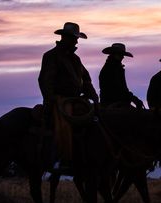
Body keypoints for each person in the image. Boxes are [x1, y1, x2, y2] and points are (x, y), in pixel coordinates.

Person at [38, 22, 98, 167]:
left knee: (94, 119)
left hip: (75, 99)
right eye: (74, 38)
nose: (77, 41)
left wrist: (93, 95)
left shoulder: (76, 59)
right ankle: (62, 157)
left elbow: (86, 78)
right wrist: (52, 98)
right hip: (59, 100)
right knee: (65, 124)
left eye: (77, 38)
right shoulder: (51, 56)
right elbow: (45, 80)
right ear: (65, 38)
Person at [99, 43, 143, 108]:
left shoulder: (114, 68)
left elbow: (122, 89)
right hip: (112, 104)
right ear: (114, 54)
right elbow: (119, 89)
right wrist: (133, 99)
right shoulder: (111, 69)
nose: (123, 57)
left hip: (112, 102)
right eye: (120, 54)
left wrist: (132, 98)